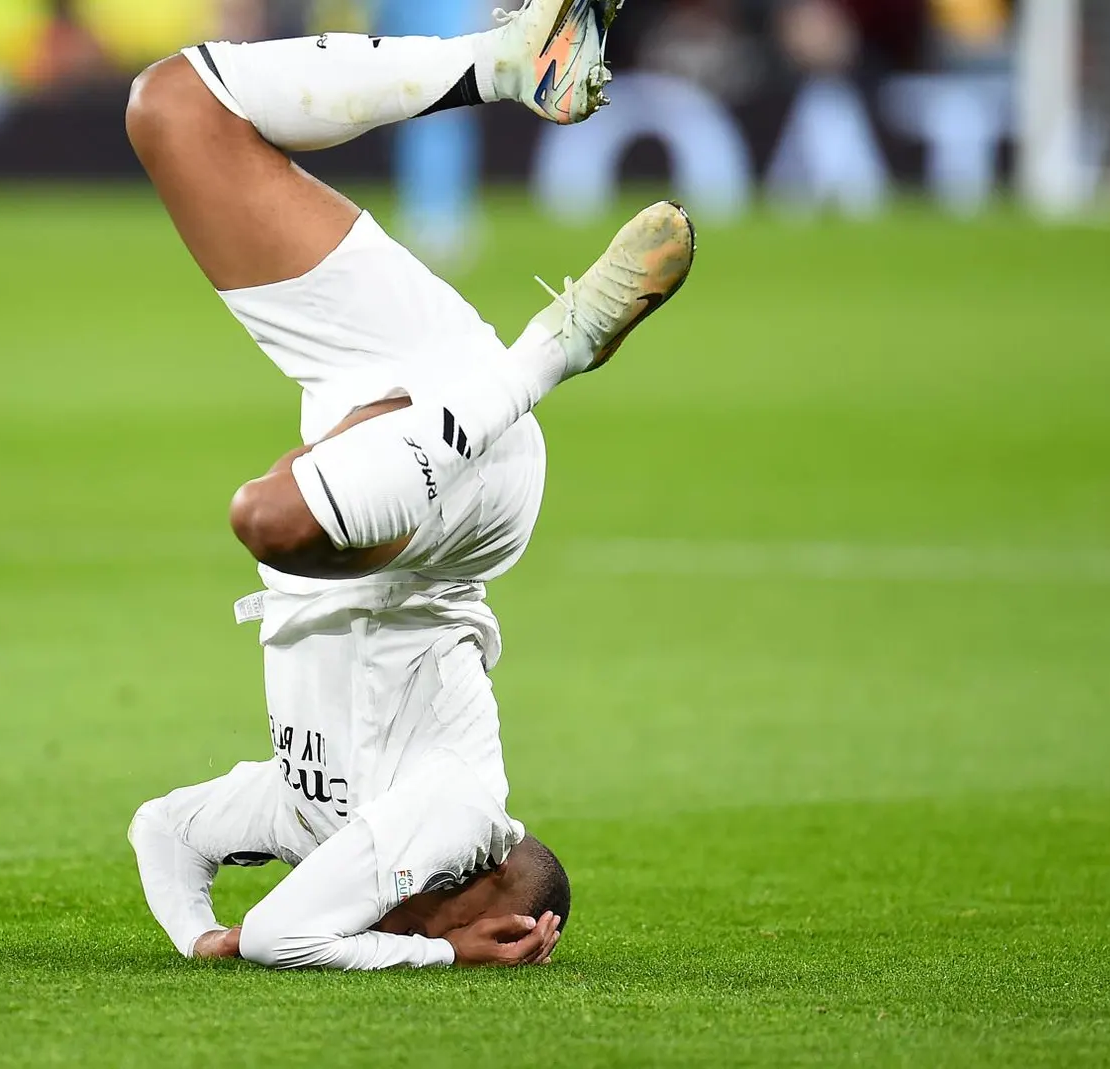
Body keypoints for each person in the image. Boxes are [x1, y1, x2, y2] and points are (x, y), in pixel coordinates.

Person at [124, 0, 696, 970]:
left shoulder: (310, 817)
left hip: (398, 407)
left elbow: (162, 833)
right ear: (505, 912)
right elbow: (278, 936)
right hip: (472, 485)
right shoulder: (460, 818)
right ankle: (556, 351)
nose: (397, 900)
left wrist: (194, 939)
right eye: (450, 914)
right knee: (269, 516)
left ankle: (503, 60)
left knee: (173, 107)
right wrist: (436, 956)